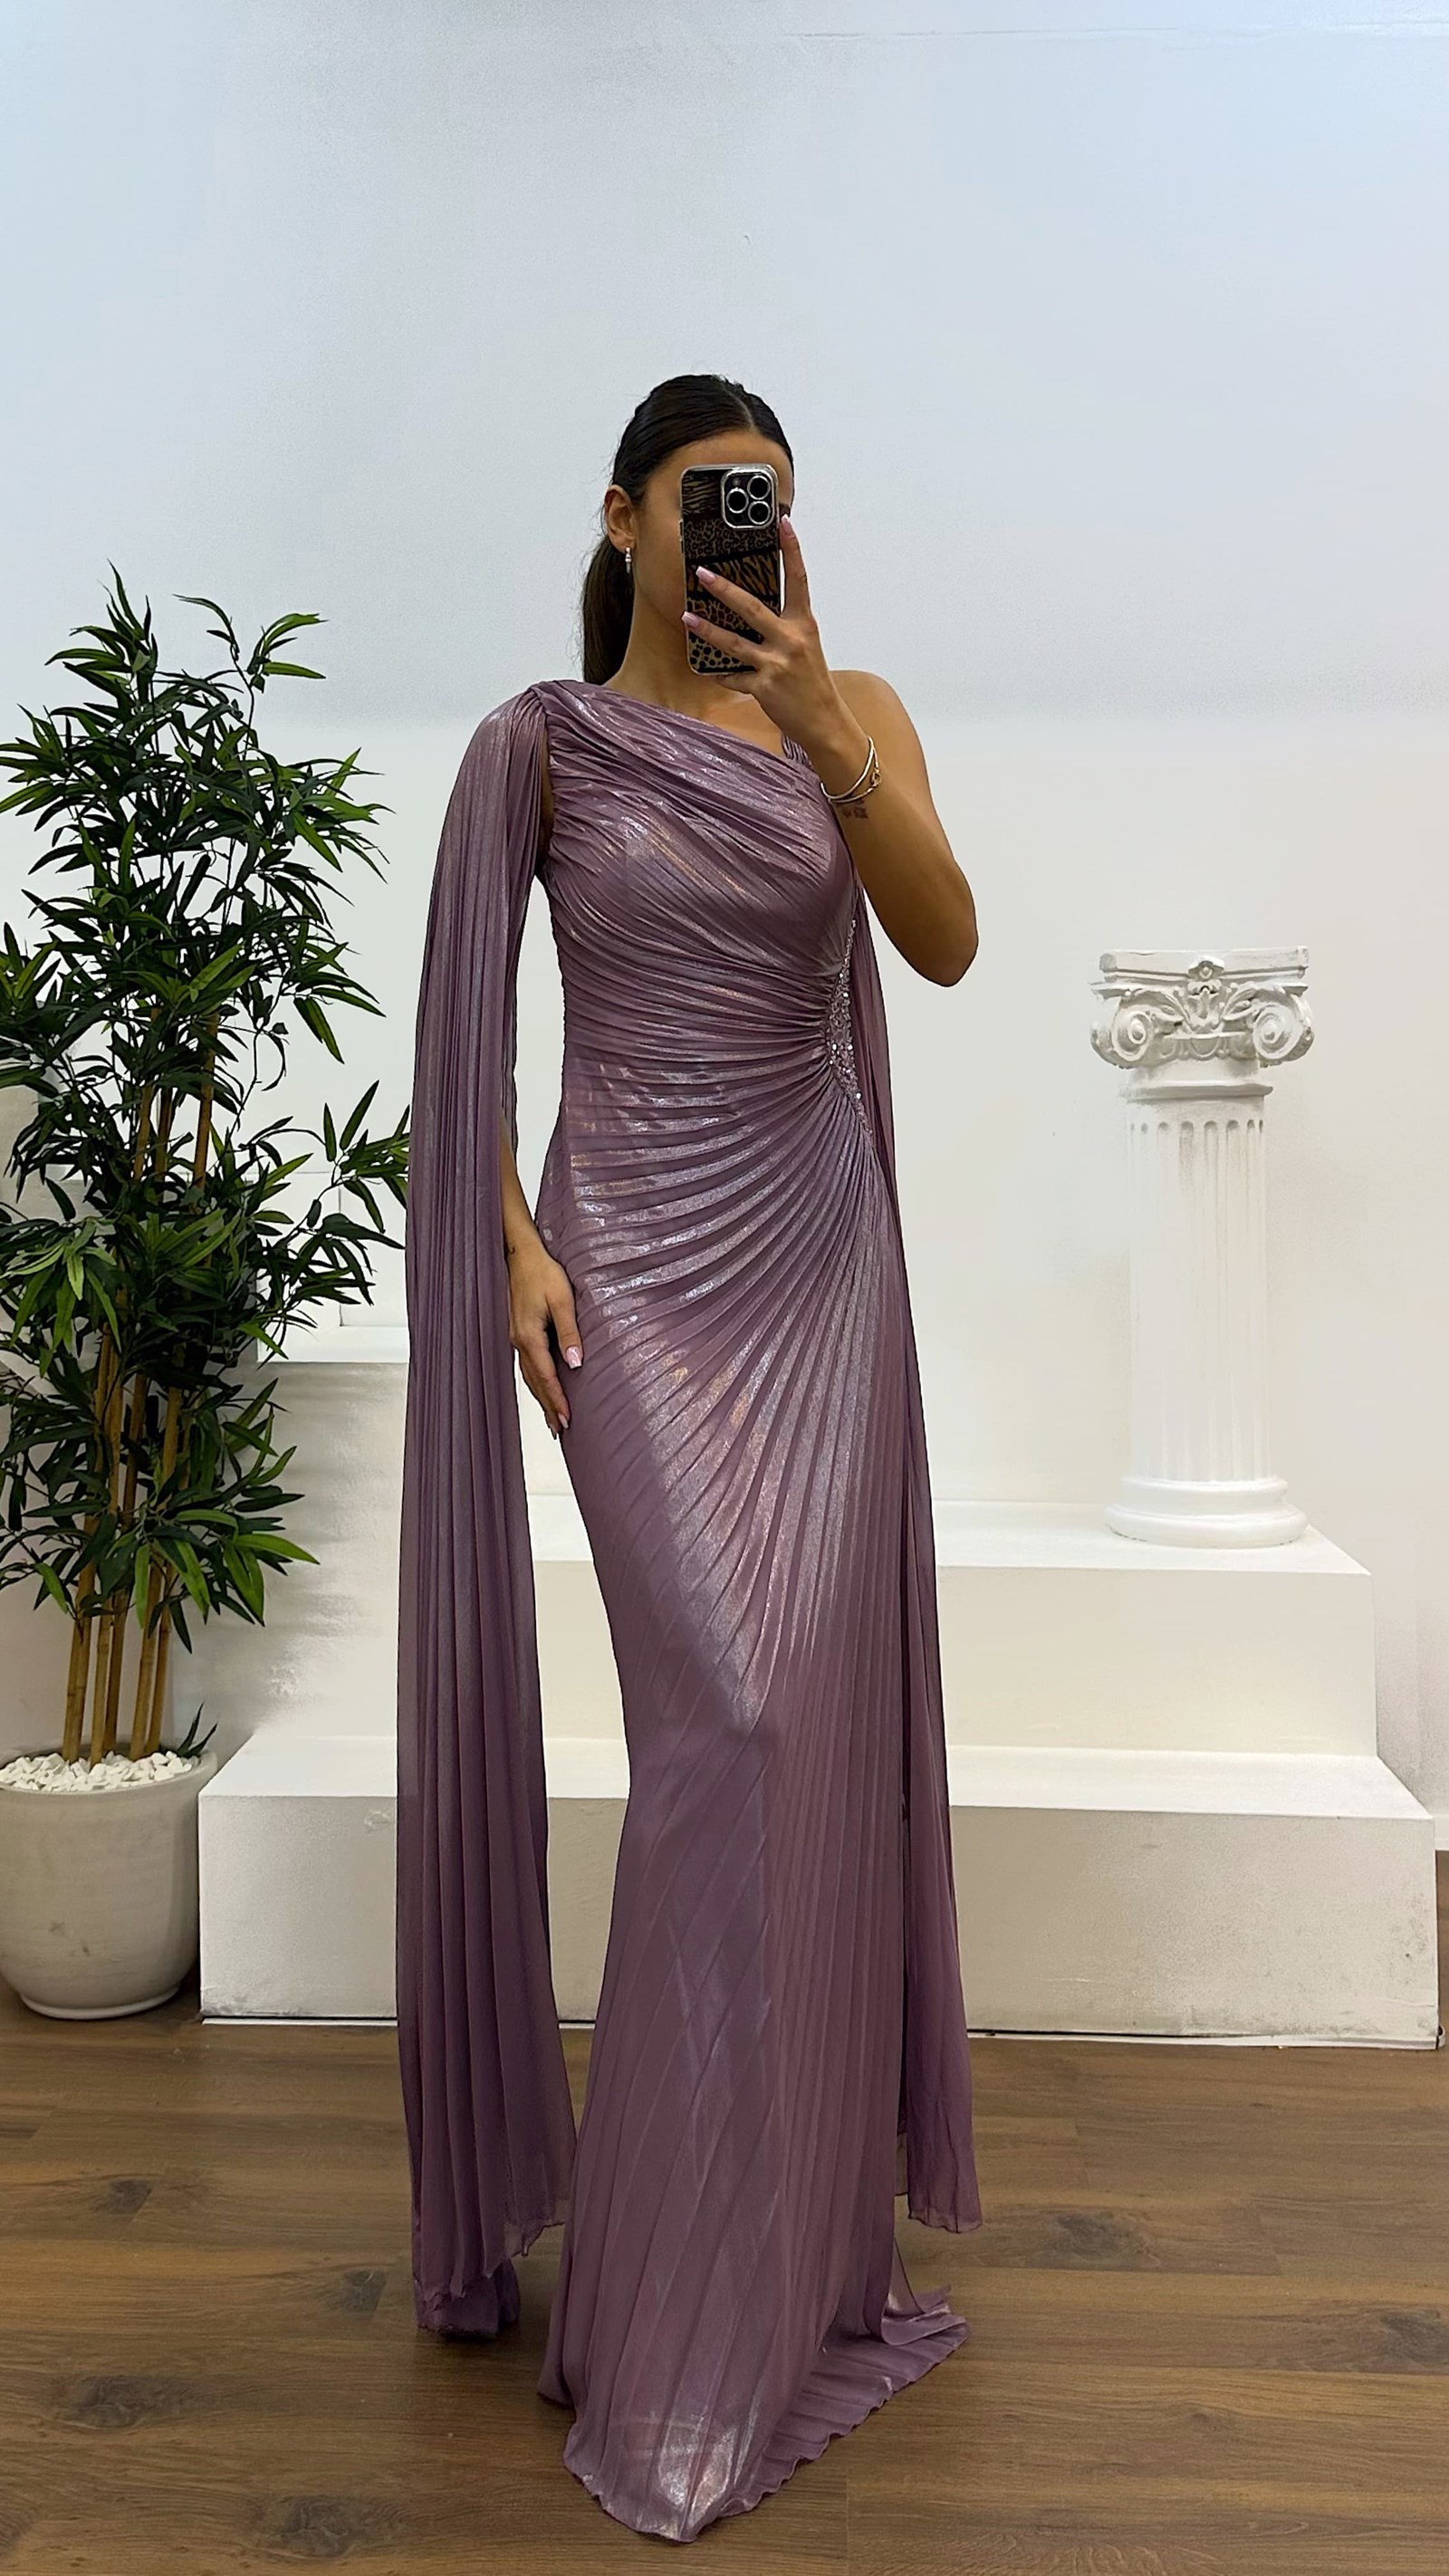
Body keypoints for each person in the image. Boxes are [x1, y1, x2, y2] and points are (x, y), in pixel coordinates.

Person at [395, 372, 984, 2545]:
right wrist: (505, 1245)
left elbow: (943, 940)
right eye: (713, 499)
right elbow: (458, 1039)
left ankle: (781, 2276)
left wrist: (823, 724)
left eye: (775, 507)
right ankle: (674, 2320)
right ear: (624, 516)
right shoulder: (535, 746)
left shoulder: (852, 710)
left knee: (797, 1755)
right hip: (629, 1271)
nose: (747, 532)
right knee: (720, 1730)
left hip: (820, 1270)